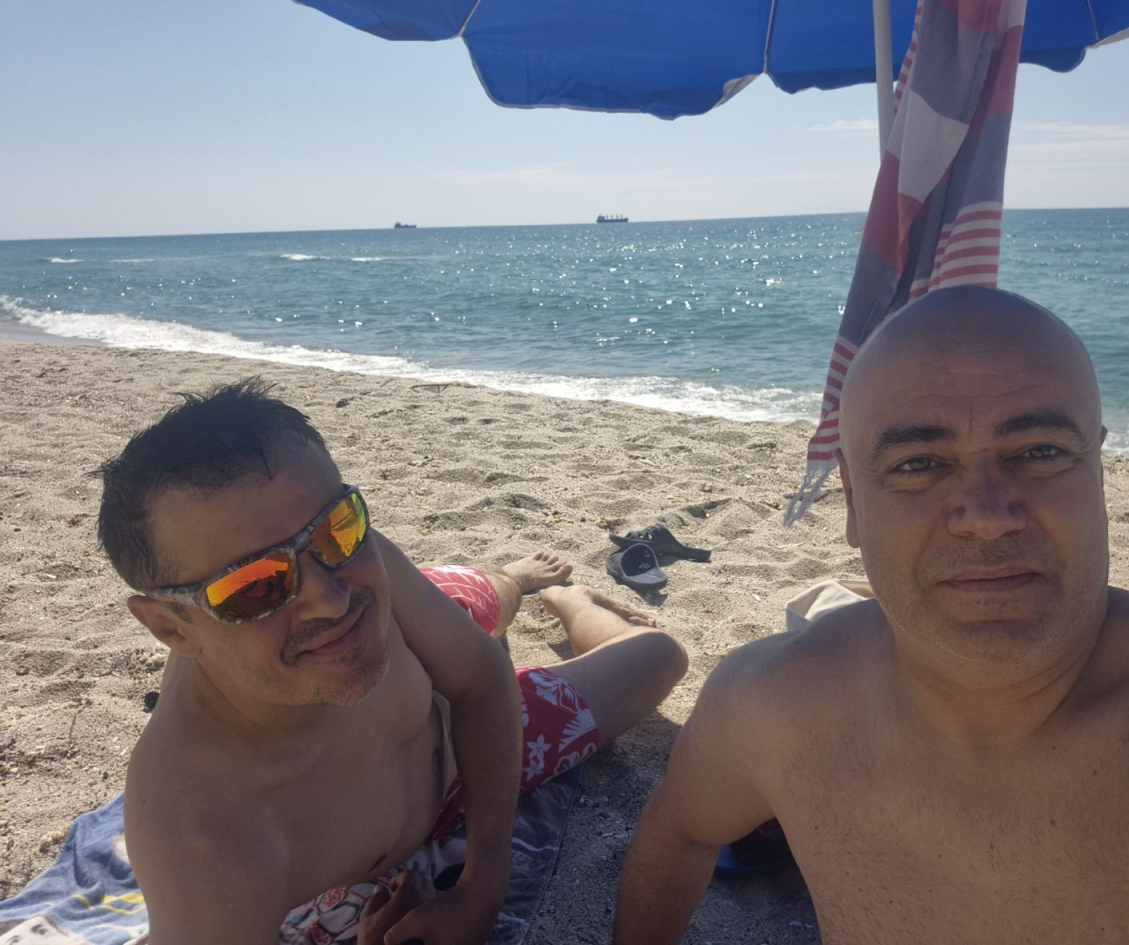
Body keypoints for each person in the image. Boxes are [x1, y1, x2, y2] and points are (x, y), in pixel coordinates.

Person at [614, 287, 1129, 943]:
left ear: (1098, 471)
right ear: (852, 500)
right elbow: (681, 833)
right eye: (919, 464)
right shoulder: (777, 707)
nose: (986, 517)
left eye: (1041, 451)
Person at [96, 379, 687, 945]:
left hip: (409, 635)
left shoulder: (350, 570)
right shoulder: (206, 840)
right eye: (254, 586)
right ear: (171, 627)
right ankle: (527, 589)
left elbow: (480, 676)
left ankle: (534, 587)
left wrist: (483, 883)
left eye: (340, 527)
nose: (329, 597)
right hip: (405, 671)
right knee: (655, 654)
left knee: (512, 607)